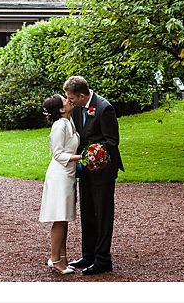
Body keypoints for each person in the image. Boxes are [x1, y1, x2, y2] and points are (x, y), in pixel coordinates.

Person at [63, 75, 123, 275]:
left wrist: (93, 152)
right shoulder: (79, 107)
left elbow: (112, 141)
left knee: (103, 214)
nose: (69, 102)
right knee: (87, 212)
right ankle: (88, 255)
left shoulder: (104, 108)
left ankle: (103, 259)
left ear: (81, 95)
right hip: (85, 170)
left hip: (103, 171)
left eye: (71, 98)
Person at [39, 94, 80, 274]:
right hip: (59, 175)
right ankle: (55, 259)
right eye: (65, 100)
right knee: (60, 218)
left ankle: (63, 258)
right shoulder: (59, 126)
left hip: (68, 173)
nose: (68, 100)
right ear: (61, 109)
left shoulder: (68, 122)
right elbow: (57, 154)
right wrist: (80, 158)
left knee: (64, 219)